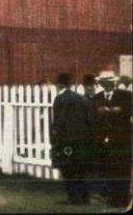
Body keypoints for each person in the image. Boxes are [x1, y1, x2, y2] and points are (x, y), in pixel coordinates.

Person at [90, 71, 132, 208]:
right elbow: (92, 119)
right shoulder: (96, 98)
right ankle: (112, 199)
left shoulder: (126, 96)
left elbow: (128, 112)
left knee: (122, 170)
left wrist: (116, 110)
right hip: (103, 141)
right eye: (103, 81)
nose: (106, 83)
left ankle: (123, 200)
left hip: (121, 140)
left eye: (109, 81)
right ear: (101, 83)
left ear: (113, 82)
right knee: (108, 170)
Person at [50, 72, 91, 205]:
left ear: (60, 85)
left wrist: (55, 137)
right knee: (79, 169)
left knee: (68, 169)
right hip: (82, 139)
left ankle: (73, 197)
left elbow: (59, 121)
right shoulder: (81, 98)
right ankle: (84, 197)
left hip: (66, 140)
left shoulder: (60, 99)